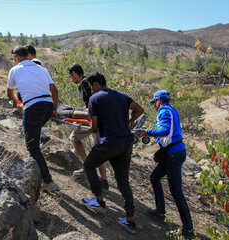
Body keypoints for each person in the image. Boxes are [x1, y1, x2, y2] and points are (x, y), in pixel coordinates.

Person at [81, 72, 144, 234]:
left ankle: (99, 202)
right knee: (123, 180)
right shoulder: (122, 96)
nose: (90, 90)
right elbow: (139, 110)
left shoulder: (94, 99)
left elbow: (94, 128)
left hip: (109, 142)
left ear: (95, 84)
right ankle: (130, 221)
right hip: (126, 142)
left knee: (88, 165)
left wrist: (92, 127)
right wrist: (128, 122)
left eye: (90, 86)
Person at [137, 90, 194, 238]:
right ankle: (160, 212)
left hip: (173, 155)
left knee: (176, 191)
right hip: (174, 152)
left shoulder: (164, 110)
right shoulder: (171, 110)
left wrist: (147, 132)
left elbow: (165, 131)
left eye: (154, 102)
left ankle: (188, 229)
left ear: (159, 100)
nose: (154, 105)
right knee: (154, 177)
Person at [7, 46, 59, 192]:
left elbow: (9, 92)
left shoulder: (15, 69)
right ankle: (38, 147)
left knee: (32, 147)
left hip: (33, 108)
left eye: (13, 57)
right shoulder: (42, 69)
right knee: (34, 136)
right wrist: (54, 109)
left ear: (17, 57)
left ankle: (48, 181)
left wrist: (16, 104)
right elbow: (54, 90)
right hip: (47, 107)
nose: (13, 59)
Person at [67, 63, 108, 190]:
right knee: (99, 149)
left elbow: (91, 105)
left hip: (95, 120)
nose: (71, 79)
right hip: (103, 119)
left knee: (74, 137)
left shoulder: (84, 84)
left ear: (74, 73)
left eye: (70, 76)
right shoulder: (89, 82)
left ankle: (87, 166)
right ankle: (104, 180)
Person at [26, 45, 52, 150]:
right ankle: (40, 141)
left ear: (28, 55)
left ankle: (43, 138)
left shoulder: (35, 63)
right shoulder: (40, 62)